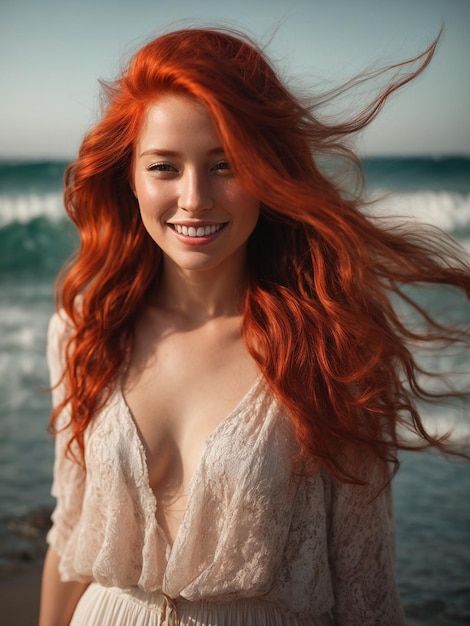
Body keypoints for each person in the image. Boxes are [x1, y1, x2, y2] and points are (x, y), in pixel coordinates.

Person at [39, 27, 470, 626]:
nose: (194, 198)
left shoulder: (330, 348)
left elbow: (365, 592)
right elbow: (70, 541)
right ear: (129, 176)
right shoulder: (86, 330)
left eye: (225, 165)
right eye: (165, 166)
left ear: (268, 172)